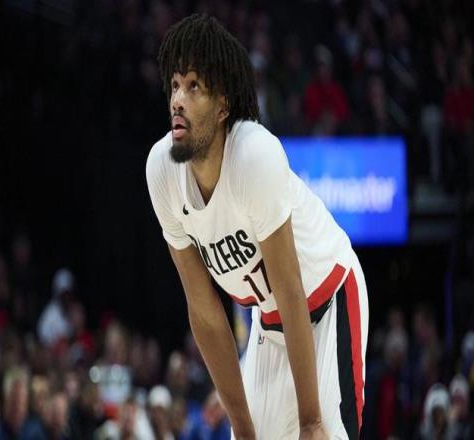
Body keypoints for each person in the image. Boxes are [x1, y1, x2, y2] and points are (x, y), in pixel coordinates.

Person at [146, 14, 369, 440]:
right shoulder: (161, 171)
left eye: (193, 87)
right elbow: (206, 314)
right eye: (174, 85)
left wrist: (311, 422)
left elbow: (290, 287)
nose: (177, 99)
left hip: (330, 295)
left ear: (223, 106)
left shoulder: (254, 155)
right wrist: (243, 429)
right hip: (271, 318)